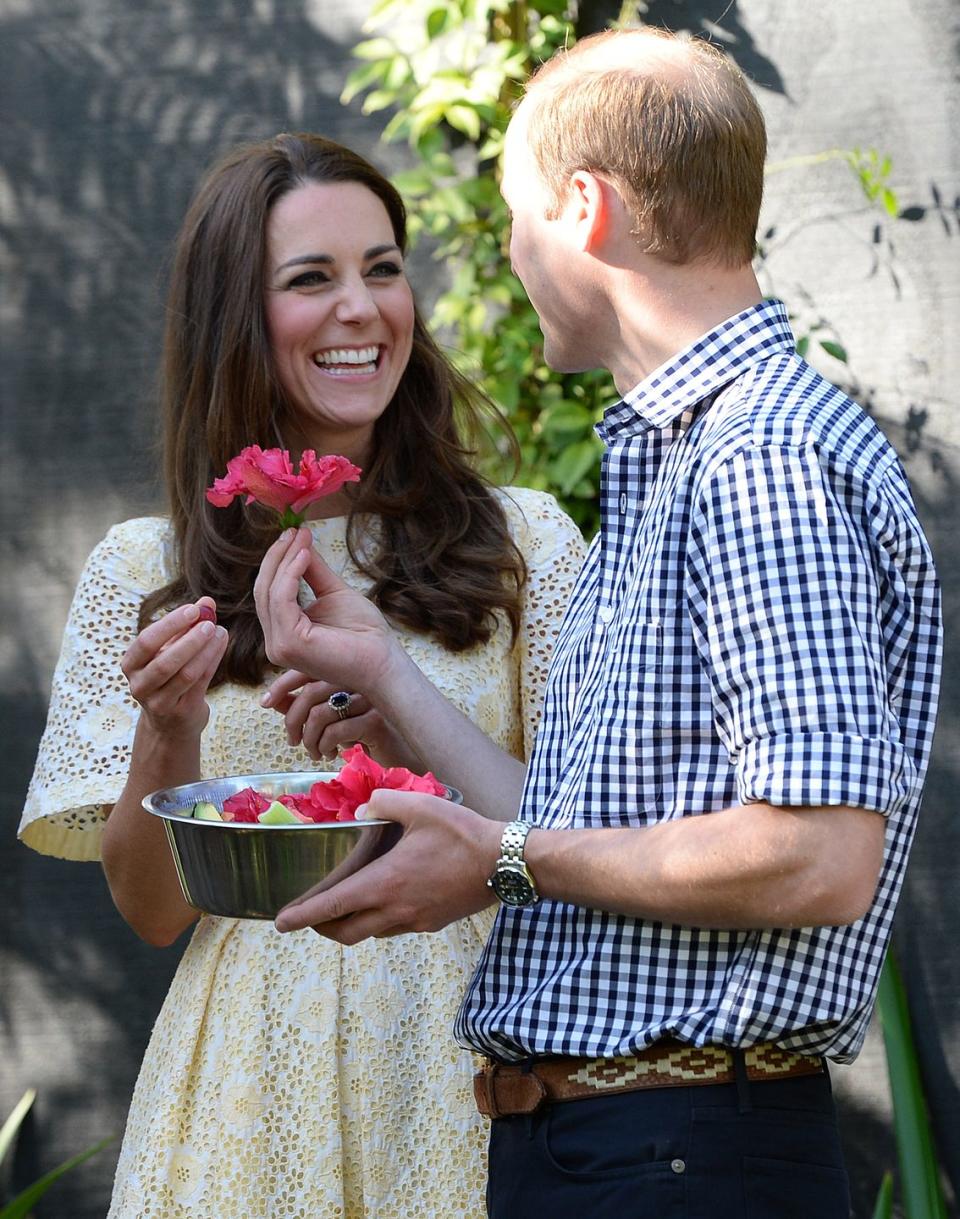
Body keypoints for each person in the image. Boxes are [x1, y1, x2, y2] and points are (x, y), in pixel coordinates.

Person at [253, 28, 943, 1219]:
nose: (511, 256)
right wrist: (390, 680)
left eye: (517, 217)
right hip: (625, 1150)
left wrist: (502, 860)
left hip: (682, 1159)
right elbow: (593, 835)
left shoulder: (759, 463)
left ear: (584, 208)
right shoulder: (687, 458)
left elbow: (821, 852)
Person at [18, 132, 586, 1218]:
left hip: (476, 1064)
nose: (363, 309)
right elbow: (148, 913)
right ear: (235, 314)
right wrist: (169, 725)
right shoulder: (143, 569)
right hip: (243, 1091)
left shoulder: (525, 543)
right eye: (310, 279)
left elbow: (592, 837)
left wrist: (410, 723)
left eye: (382, 268)